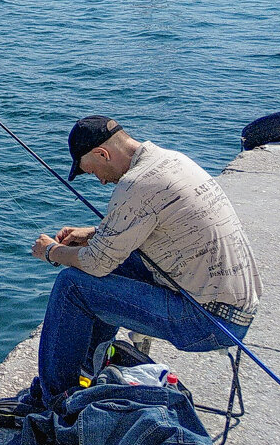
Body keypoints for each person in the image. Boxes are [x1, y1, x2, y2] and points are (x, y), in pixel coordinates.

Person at [29, 115, 262, 406]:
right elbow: (154, 226)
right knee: (112, 265)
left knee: (73, 285)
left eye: (93, 171)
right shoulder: (170, 161)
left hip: (207, 322)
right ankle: (87, 373)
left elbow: (96, 263)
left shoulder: (135, 184)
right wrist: (93, 234)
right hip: (233, 311)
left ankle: (55, 399)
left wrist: (52, 252)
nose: (100, 181)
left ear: (103, 153)